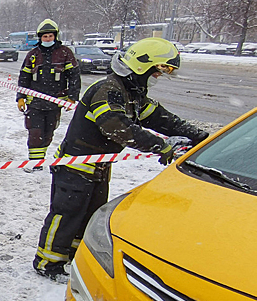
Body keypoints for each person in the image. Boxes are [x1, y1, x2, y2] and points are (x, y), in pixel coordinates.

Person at [33, 38, 209, 277]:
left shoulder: (131, 93)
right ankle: (47, 263)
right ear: (140, 69)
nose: (156, 79)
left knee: (87, 216)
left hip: (98, 167)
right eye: (155, 73)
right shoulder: (108, 90)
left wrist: (199, 136)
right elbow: (115, 125)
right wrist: (160, 146)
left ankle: (71, 257)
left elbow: (159, 118)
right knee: (66, 216)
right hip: (76, 165)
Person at [16, 19, 81, 171]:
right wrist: (20, 97)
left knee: (48, 133)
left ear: (55, 36)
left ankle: (40, 159)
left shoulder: (65, 54)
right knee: (35, 133)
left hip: (54, 102)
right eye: (45, 37)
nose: (47, 39)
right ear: (40, 38)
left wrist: (72, 97)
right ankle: (35, 163)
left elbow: (74, 77)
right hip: (35, 103)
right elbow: (23, 78)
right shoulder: (33, 55)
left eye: (50, 36)